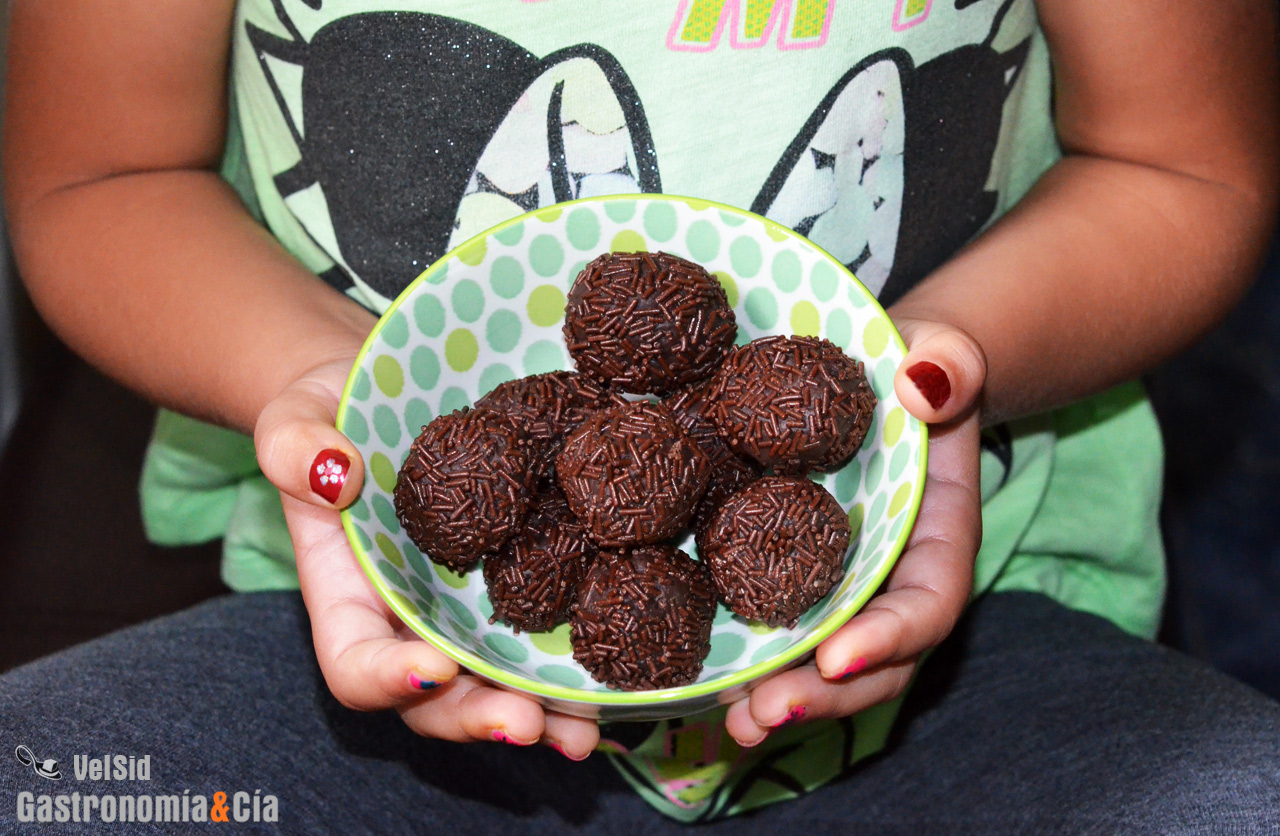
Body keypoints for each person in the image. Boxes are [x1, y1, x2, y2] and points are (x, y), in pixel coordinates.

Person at [2, 0, 1278, 831]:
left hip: (979, 632)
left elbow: (1181, 160)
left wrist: (936, 372)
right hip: (371, 652)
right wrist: (327, 387)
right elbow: (101, 169)